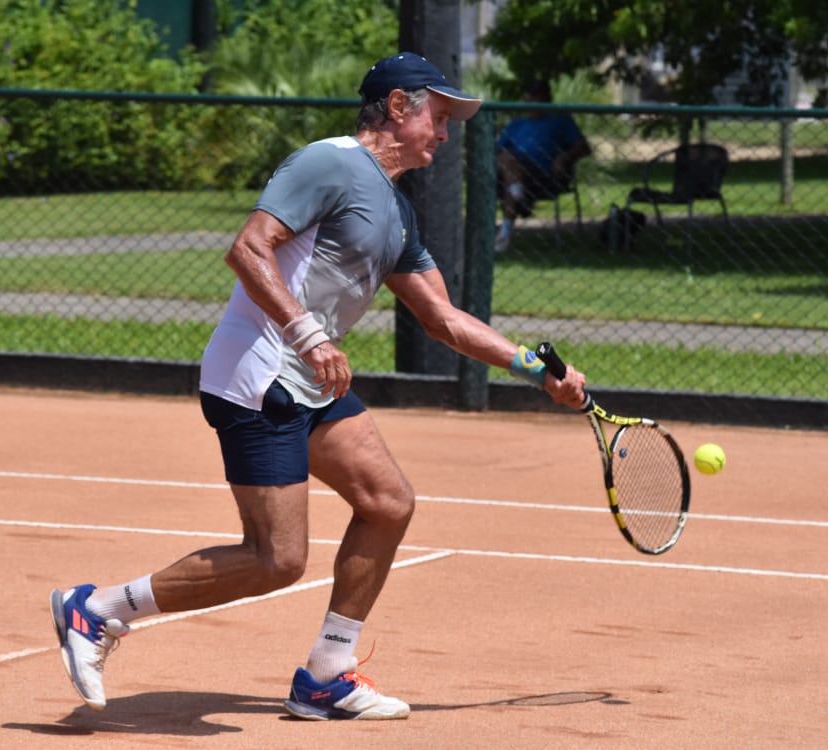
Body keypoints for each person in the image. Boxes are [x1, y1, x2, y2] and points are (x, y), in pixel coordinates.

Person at [49, 52, 587, 722]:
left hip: (311, 378)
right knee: (276, 560)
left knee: (388, 503)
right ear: (397, 107)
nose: (445, 134)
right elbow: (249, 247)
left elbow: (441, 317)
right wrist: (308, 334)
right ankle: (97, 610)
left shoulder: (394, 208)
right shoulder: (328, 164)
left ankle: (328, 674)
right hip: (261, 377)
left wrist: (537, 372)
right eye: (438, 117)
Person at [495, 78, 591, 253]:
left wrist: (564, 157)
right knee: (504, 159)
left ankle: (516, 202)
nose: (533, 100)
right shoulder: (517, 124)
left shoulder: (560, 120)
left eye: (538, 96)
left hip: (541, 174)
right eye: (530, 96)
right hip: (506, 174)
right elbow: (497, 149)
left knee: (508, 159)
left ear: (547, 98)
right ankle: (517, 199)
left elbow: (583, 147)